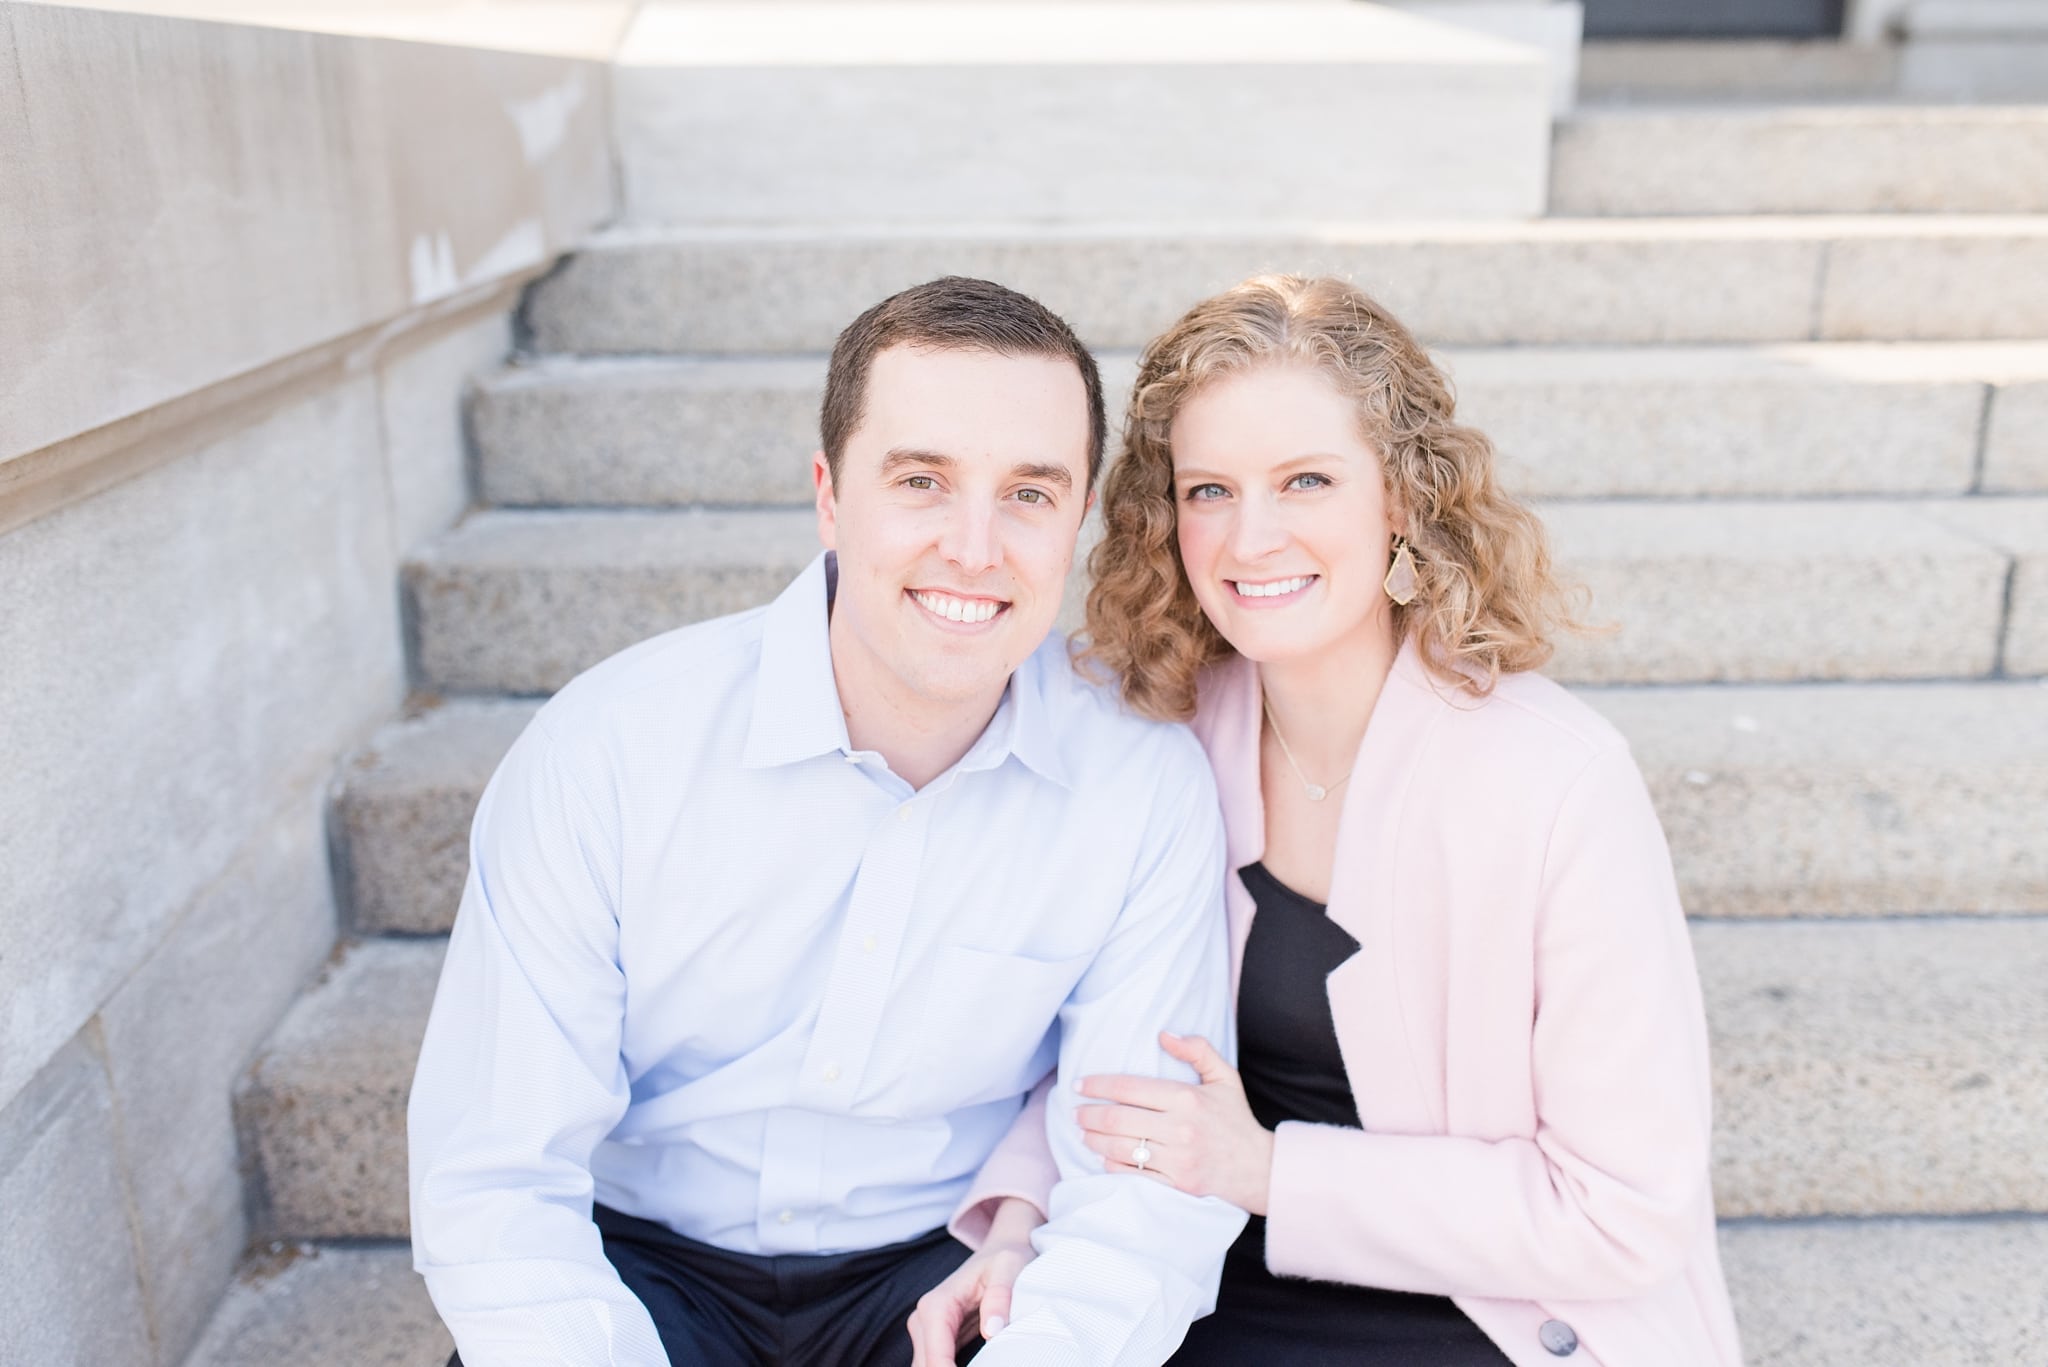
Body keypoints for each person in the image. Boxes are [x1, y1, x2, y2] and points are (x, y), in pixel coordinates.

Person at [407, 276, 1247, 1367]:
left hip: (940, 1271)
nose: (974, 545)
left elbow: (1140, 1179)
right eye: (920, 481)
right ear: (828, 496)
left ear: (1077, 515)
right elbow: (495, 1171)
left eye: (1029, 494)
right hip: (635, 1263)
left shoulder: (1138, 782)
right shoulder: (607, 750)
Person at [955, 274, 1744, 1365]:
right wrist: (1021, 1217)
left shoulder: (1557, 782)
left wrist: (1269, 1169)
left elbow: (1620, 1211)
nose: (1249, 537)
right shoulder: (1170, 732)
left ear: (1403, 498)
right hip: (1205, 1274)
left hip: (1496, 1316)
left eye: (1306, 480)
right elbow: (1097, 1039)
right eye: (1209, 490)